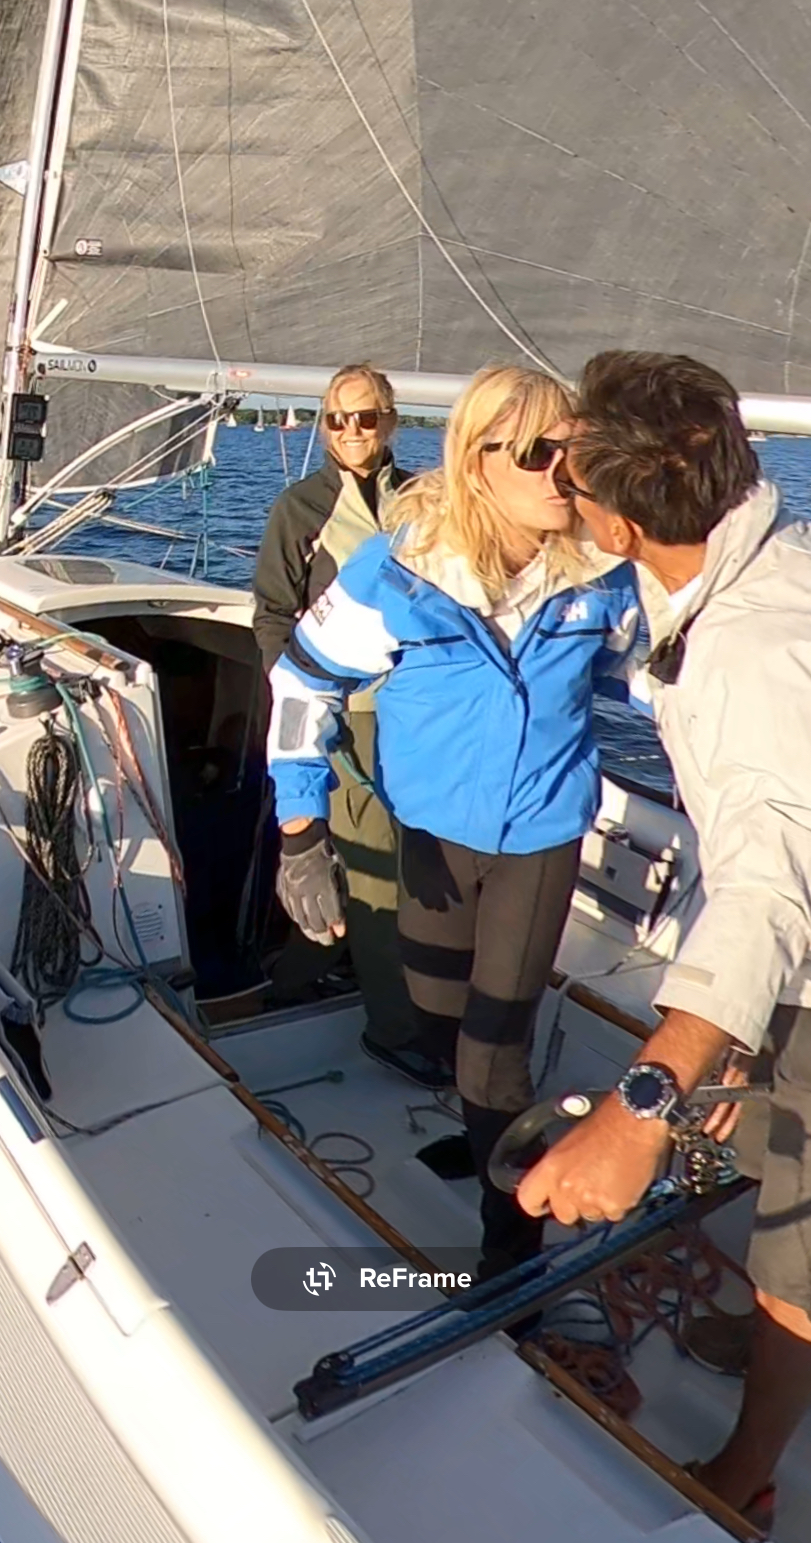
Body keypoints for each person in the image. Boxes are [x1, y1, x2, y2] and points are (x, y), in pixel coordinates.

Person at [515, 350, 811, 1531]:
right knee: (778, 1168)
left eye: (571, 475)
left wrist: (639, 1105)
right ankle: (778, 1339)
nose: (557, 487)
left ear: (622, 521)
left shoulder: (757, 645)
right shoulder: (763, 548)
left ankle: (746, 1468)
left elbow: (778, 873)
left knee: (809, 1252)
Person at [266, 364, 643, 1279]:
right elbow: (304, 683)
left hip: (540, 836)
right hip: (432, 837)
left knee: (493, 1053)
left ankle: (513, 1257)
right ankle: (485, 1137)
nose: (565, 473)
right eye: (539, 453)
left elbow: (664, 685)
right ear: (478, 461)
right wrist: (302, 835)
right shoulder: (398, 570)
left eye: (578, 452)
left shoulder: (606, 574)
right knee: (437, 1024)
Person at [249, 365, 436, 1087]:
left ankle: (305, 968)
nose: (351, 430)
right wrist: (297, 701)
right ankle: (395, 1030)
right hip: (348, 715)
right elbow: (273, 614)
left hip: (421, 713)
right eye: (337, 418)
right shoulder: (300, 508)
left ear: (391, 421)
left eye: (366, 417)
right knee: (374, 874)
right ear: (322, 425)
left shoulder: (425, 502)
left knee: (418, 861)